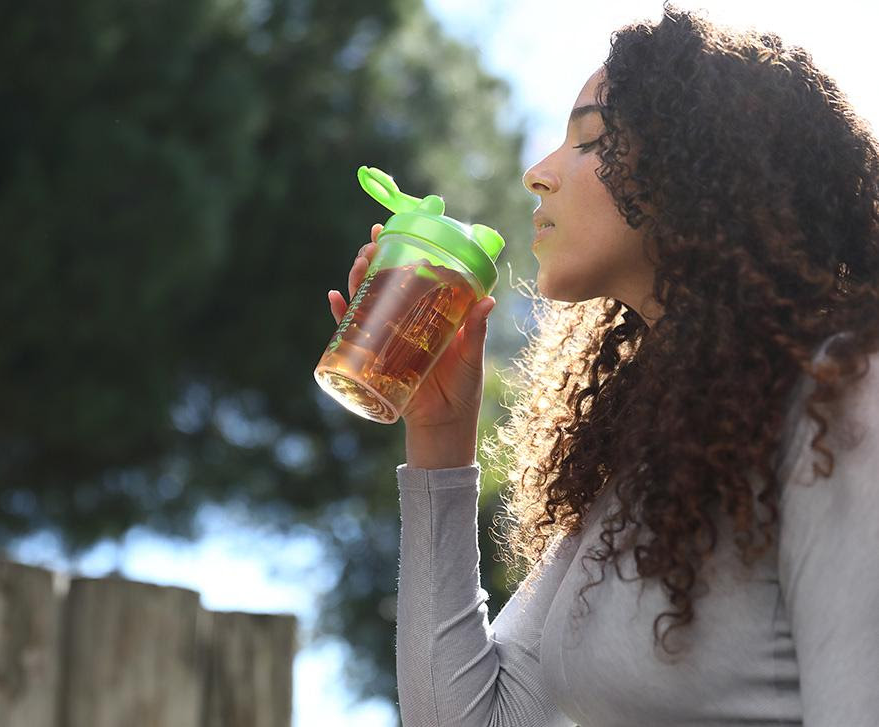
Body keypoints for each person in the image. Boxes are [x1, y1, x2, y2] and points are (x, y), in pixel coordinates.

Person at [327, 5, 878, 725]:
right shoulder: (649, 458)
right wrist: (440, 436)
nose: (538, 174)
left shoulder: (841, 397)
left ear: (697, 172)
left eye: (590, 139)